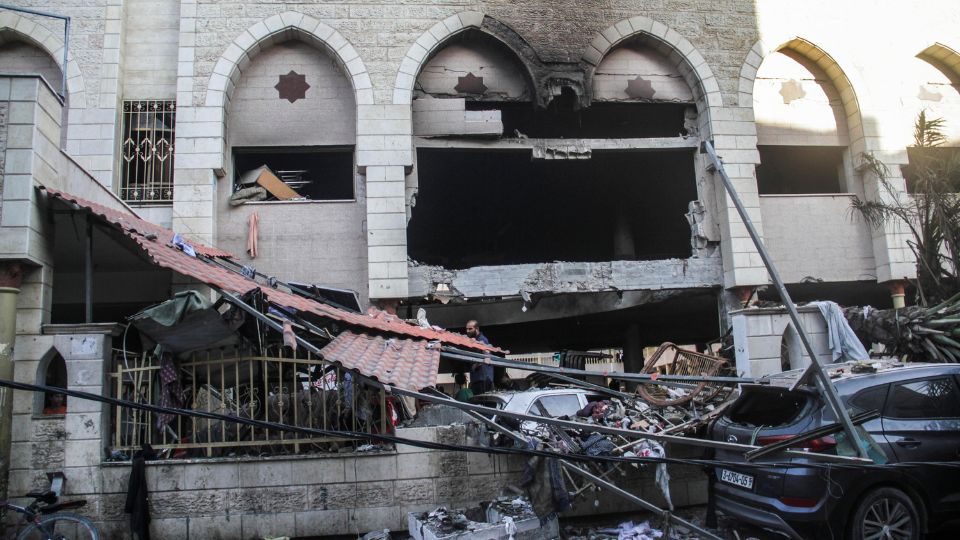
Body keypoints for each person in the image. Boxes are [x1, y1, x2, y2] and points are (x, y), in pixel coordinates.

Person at [465, 319, 494, 394]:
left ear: (477, 329)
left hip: (482, 379)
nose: (467, 331)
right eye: (467, 329)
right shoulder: (475, 341)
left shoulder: (482, 340)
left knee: (482, 403)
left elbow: (487, 357)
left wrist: (476, 365)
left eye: (470, 329)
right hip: (478, 379)